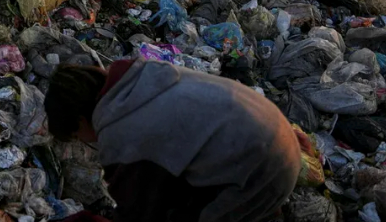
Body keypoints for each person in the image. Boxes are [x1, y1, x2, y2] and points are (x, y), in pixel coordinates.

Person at [45, 61, 301, 222]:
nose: (85, 142)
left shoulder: (119, 133)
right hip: (278, 133)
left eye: (77, 137)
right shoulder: (141, 79)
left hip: (266, 171)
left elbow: (139, 211)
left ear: (80, 121)